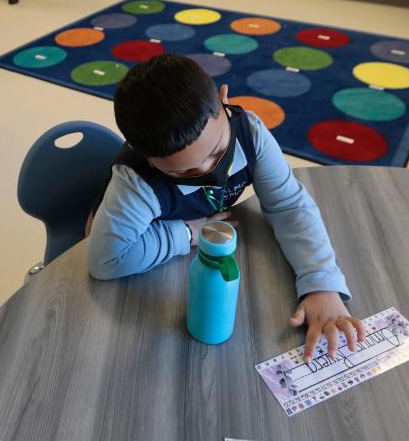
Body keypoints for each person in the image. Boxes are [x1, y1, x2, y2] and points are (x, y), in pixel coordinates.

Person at [87, 54, 366, 362]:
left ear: (224, 101)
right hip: (126, 232)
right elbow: (106, 259)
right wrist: (188, 233)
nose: (211, 169)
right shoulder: (136, 183)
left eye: (219, 149)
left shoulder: (250, 133)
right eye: (185, 173)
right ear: (142, 154)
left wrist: (321, 282)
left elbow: (288, 205)